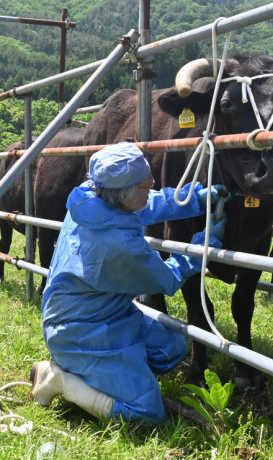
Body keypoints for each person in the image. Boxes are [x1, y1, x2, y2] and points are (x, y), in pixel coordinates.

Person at [30, 142, 227, 424]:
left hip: (105, 316)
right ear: (125, 194)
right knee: (148, 414)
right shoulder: (119, 245)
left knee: (170, 349)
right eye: (146, 186)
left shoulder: (92, 200)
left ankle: (114, 374)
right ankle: (61, 380)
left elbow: (147, 204)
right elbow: (167, 278)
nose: (152, 186)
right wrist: (202, 245)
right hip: (81, 333)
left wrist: (195, 198)